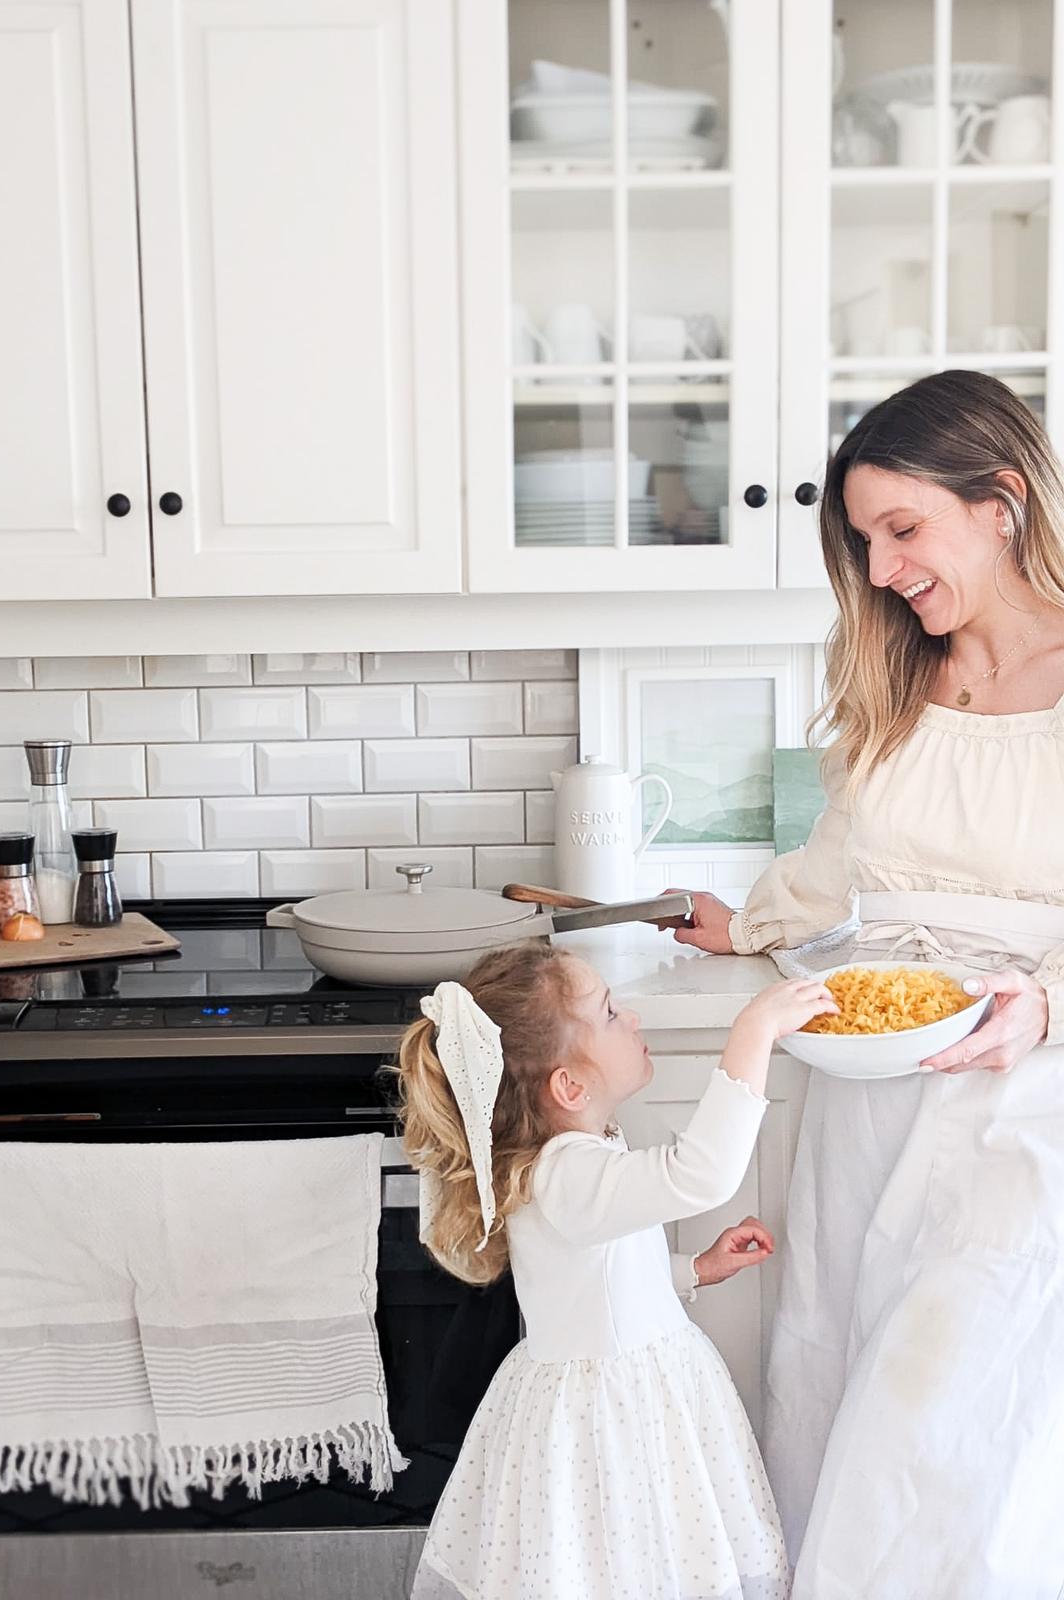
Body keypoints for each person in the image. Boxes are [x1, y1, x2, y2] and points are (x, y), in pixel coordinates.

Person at [674, 369, 1064, 1600]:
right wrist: (748, 926)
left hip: (1015, 1090)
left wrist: (1046, 1004)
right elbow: (844, 856)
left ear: (1000, 504)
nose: (883, 568)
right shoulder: (902, 673)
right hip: (866, 1079)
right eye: (864, 540)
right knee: (837, 1379)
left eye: (904, 530)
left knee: (943, 1417)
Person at [396, 937, 836, 1600]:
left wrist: (692, 1270)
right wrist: (756, 1030)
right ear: (568, 1085)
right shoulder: (565, 1172)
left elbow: (594, 1277)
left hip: (618, 1397)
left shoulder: (571, 1153)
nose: (630, 1017)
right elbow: (701, 1174)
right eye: (608, 1013)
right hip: (611, 1420)